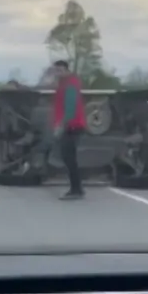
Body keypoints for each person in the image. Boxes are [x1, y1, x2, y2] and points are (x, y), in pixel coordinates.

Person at [51, 60, 87, 200]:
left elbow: (70, 110)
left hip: (72, 126)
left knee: (69, 158)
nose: (57, 73)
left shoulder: (70, 85)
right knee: (69, 158)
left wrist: (60, 126)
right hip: (70, 125)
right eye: (56, 70)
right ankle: (77, 188)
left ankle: (76, 189)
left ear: (66, 70)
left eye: (60, 70)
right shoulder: (64, 84)